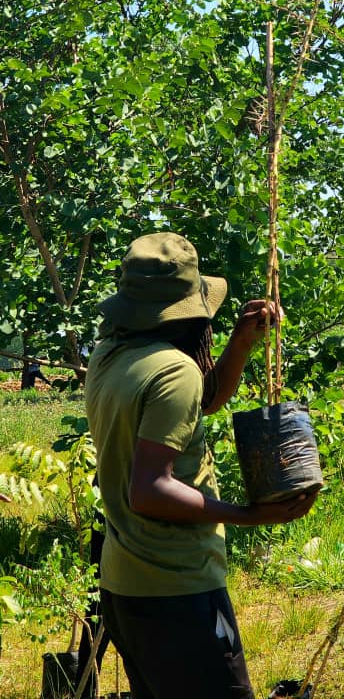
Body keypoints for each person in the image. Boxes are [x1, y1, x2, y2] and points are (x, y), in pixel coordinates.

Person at [85, 232, 319, 699]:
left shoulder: (113, 355)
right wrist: (251, 515)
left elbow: (200, 402)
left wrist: (240, 343)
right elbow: (150, 490)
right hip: (178, 588)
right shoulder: (175, 372)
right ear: (190, 313)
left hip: (125, 585)